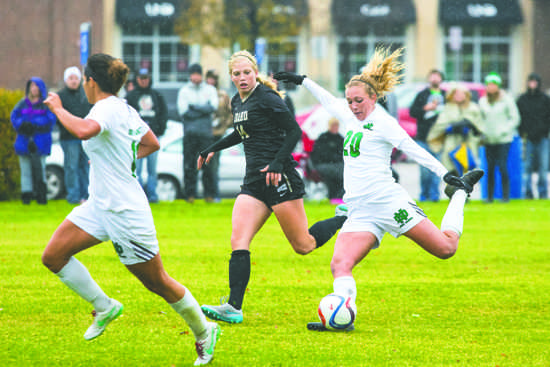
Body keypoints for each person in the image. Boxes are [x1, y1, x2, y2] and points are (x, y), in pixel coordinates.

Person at [273, 47, 484, 332]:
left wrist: (447, 176)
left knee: (446, 248)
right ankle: (342, 319)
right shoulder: (348, 115)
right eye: (350, 101)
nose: (353, 106)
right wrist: (303, 80)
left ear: (373, 98)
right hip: (359, 210)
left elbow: (412, 149)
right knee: (340, 264)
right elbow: (329, 100)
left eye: (358, 100)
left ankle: (460, 195)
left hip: (388, 203)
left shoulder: (384, 122)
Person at [42, 53, 220, 366]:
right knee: (53, 256)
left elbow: (84, 131)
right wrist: (115, 157)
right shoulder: (123, 108)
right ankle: (105, 306)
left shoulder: (108, 108)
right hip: (99, 205)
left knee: (158, 282)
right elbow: (151, 143)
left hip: (125, 211)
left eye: (85, 80)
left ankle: (205, 331)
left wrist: (58, 108)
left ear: (91, 81)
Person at [197, 50, 347, 324]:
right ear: (231, 76)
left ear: (255, 72)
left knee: (303, 245)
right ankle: (233, 307)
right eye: (236, 73)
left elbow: (294, 132)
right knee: (238, 241)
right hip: (254, 182)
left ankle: (342, 219)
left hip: (279, 178)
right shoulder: (236, 102)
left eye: (246, 72)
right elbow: (241, 133)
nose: (242, 78)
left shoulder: (266, 98)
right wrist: (212, 148)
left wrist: (278, 163)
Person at [11, 77, 56, 204]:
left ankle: (41, 195)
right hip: (24, 140)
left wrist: (34, 123)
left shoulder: (45, 104)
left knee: (40, 168)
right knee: (25, 170)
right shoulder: (22, 103)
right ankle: (26, 195)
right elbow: (14, 117)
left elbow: (51, 119)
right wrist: (22, 124)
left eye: (36, 86)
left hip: (40, 141)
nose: (34, 89)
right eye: (32, 86)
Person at [177, 63, 219, 203]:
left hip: (206, 135)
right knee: (189, 165)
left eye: (198, 74)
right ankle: (190, 195)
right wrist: (203, 109)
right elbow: (184, 112)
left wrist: (194, 107)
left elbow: (213, 107)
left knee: (208, 165)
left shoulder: (210, 89)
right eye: (193, 74)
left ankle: (209, 195)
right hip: (190, 134)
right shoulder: (184, 91)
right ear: (190, 75)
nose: (195, 77)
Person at [126, 67, 168, 203]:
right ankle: (137, 196)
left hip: (153, 136)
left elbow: (163, 114)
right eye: (141, 78)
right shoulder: (131, 96)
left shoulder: (157, 96)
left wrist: (159, 130)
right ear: (137, 79)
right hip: (136, 139)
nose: (144, 81)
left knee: (152, 169)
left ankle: (152, 195)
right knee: (136, 169)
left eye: (146, 78)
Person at [478, 72, 520, 203]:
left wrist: (504, 130)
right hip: (488, 140)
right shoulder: (483, 101)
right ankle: (489, 197)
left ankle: (505, 196)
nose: (490, 87)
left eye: (493, 85)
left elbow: (515, 118)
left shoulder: (506, 99)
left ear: (498, 86)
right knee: (489, 168)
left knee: (502, 167)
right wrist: (483, 131)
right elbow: (480, 119)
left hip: (503, 139)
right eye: (488, 85)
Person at [427, 83, 483, 176]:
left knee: (467, 168)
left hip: (468, 142)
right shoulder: (448, 108)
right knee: (449, 166)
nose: (459, 96)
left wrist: (469, 126)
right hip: (451, 142)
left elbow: (478, 126)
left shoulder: (473, 108)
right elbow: (440, 125)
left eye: (461, 94)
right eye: (456, 94)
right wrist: (450, 128)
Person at [57, 66, 92, 204]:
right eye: (71, 78)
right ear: (66, 80)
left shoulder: (85, 95)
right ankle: (73, 195)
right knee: (71, 167)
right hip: (69, 138)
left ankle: (86, 195)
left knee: (85, 166)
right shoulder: (61, 96)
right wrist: (70, 129)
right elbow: (59, 117)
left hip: (85, 137)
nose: (73, 81)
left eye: (76, 78)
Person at [410, 69, 446, 202]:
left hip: (439, 138)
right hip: (423, 137)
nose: (435, 79)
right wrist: (425, 108)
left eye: (437, 77)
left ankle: (434, 196)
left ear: (441, 79)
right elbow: (412, 112)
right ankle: (424, 195)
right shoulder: (422, 95)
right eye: (432, 77)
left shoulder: (445, 95)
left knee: (437, 170)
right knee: (425, 170)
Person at [517, 72, 550, 199]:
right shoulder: (522, 99)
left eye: (534, 82)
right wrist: (522, 132)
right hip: (527, 138)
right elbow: (519, 118)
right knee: (527, 167)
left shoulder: (544, 99)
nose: (532, 84)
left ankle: (542, 193)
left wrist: (544, 131)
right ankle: (528, 192)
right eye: (530, 81)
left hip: (542, 138)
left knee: (543, 167)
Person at [206, 69, 233, 202]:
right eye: (209, 78)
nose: (211, 81)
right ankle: (207, 194)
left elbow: (231, 113)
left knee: (214, 166)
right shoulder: (203, 93)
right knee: (204, 165)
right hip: (204, 133)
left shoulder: (222, 95)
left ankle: (215, 193)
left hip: (217, 134)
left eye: (213, 79)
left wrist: (224, 126)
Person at [310, 117, 345, 204]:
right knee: (335, 173)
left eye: (337, 125)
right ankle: (334, 196)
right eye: (333, 125)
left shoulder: (341, 138)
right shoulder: (323, 138)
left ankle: (339, 196)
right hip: (323, 164)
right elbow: (318, 154)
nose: (335, 127)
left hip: (337, 164)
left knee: (343, 172)